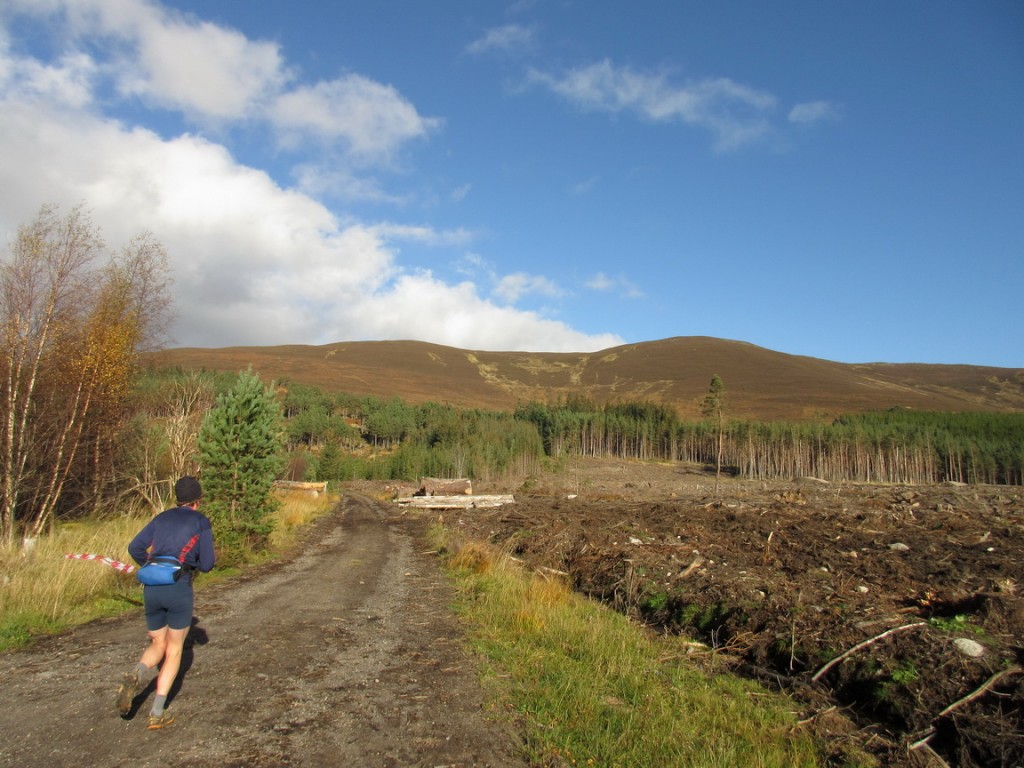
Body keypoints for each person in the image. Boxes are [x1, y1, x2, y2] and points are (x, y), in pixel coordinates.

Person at [116, 475, 215, 729]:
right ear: (197, 500)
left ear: (178, 498)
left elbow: (134, 547)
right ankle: (157, 712)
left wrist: (151, 566)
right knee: (174, 649)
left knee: (157, 641)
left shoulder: (160, 518)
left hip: (151, 586)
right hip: (178, 587)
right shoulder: (200, 521)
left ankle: (137, 672)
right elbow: (207, 564)